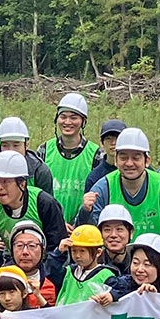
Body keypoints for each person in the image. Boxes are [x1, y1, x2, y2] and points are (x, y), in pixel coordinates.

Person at [83, 128, 160, 285]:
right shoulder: (102, 188)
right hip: (112, 274)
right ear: (115, 160)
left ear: (147, 160)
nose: (129, 163)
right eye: (124, 157)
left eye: (136, 157)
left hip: (155, 276)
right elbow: (93, 237)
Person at [0, 151, 68, 272]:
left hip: (46, 268)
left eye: (6, 182)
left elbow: (57, 247)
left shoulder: (44, 204)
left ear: (22, 184)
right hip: (12, 266)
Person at [0, 117, 55, 211]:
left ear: (26, 145)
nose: (10, 151)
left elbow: (48, 207)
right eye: (5, 145)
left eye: (16, 145)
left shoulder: (39, 171)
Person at [41, 93, 99, 226]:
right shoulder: (44, 150)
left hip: (83, 228)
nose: (67, 122)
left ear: (83, 121)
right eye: (63, 117)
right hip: (49, 227)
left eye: (74, 118)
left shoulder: (95, 154)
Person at [0, 223, 59, 307]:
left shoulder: (54, 275)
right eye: (19, 246)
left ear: (42, 250)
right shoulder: (1, 277)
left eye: (32, 246)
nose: (25, 252)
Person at [96, 234, 160, 304]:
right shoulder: (119, 284)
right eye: (135, 263)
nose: (140, 269)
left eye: (147, 264)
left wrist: (155, 299)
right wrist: (110, 296)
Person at [56, 225, 117, 304]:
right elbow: (51, 272)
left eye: (82, 251)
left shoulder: (106, 275)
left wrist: (112, 295)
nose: (77, 255)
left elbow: (120, 291)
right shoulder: (69, 271)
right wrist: (58, 253)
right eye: (74, 251)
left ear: (98, 252)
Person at [82, 120, 126, 194]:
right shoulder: (94, 177)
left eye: (118, 138)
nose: (113, 143)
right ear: (102, 143)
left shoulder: (139, 170)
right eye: (108, 138)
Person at [94, 204, 136, 275]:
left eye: (119, 229)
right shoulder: (93, 263)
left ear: (131, 233)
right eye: (107, 230)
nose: (113, 235)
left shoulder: (138, 265)